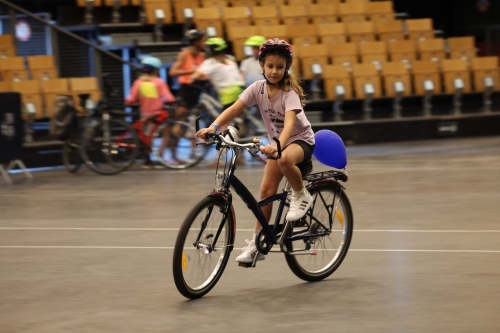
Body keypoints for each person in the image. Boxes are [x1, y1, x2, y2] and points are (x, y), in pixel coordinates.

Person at [196, 38, 315, 263]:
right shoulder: (257, 89)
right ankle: (258, 241)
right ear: (262, 66)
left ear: (286, 68)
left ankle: (302, 195)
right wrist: (213, 127)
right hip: (277, 144)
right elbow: (234, 109)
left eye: (280, 67)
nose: (275, 71)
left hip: (300, 142)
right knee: (266, 191)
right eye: (270, 66)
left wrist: (279, 145)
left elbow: (290, 123)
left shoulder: (289, 93)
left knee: (285, 160)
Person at [125, 56, 175, 168]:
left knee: (147, 137)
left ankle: (147, 160)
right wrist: (173, 102)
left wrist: (129, 103)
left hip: (144, 115)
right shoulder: (159, 82)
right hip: (157, 115)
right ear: (156, 70)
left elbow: (131, 99)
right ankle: (160, 156)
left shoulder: (138, 83)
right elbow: (169, 98)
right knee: (166, 133)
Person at [168, 29, 207, 118]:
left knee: (196, 118)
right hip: (187, 89)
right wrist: (191, 71)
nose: (205, 43)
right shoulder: (183, 54)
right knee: (181, 119)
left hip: (200, 88)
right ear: (196, 42)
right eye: (203, 41)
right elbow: (172, 72)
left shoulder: (203, 55)